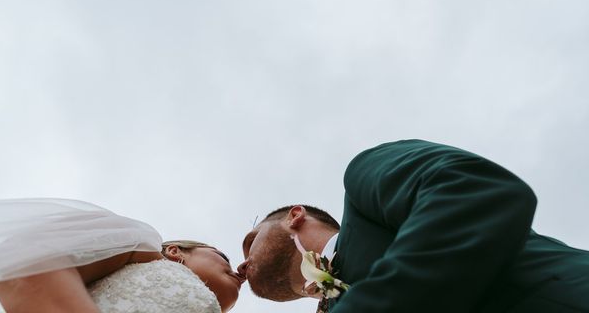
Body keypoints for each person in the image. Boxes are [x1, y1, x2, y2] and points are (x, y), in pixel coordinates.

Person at [238, 139, 589, 312]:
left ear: (294, 216)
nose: (240, 264)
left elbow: (474, 191)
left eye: (248, 241)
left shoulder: (361, 189)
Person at [0, 198, 244, 313]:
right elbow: (25, 262)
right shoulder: (144, 247)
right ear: (175, 251)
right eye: (224, 257)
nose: (237, 273)